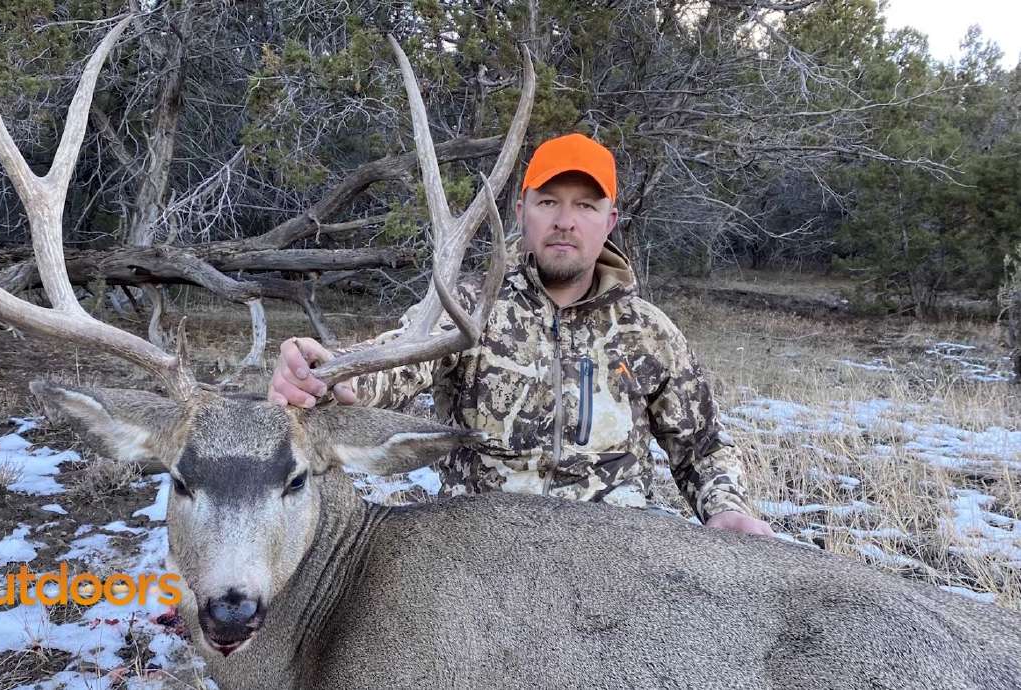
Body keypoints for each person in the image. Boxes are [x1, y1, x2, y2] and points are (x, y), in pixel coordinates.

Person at [268, 133, 773, 536]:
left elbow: (703, 445)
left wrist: (726, 508)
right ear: (521, 211)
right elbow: (399, 361)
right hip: (483, 551)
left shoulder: (649, 333)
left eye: (586, 206)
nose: (565, 222)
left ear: (610, 221)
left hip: (615, 555)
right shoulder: (470, 305)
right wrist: (333, 375)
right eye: (548, 201)